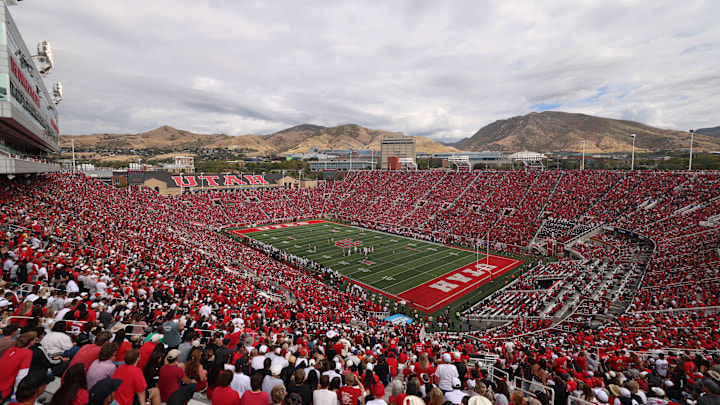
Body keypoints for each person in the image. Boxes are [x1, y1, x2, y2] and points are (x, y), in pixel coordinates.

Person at [0, 331, 37, 402]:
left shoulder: (11, 349)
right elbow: (22, 374)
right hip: (5, 389)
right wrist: (16, 393)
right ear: (31, 342)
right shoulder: (28, 353)